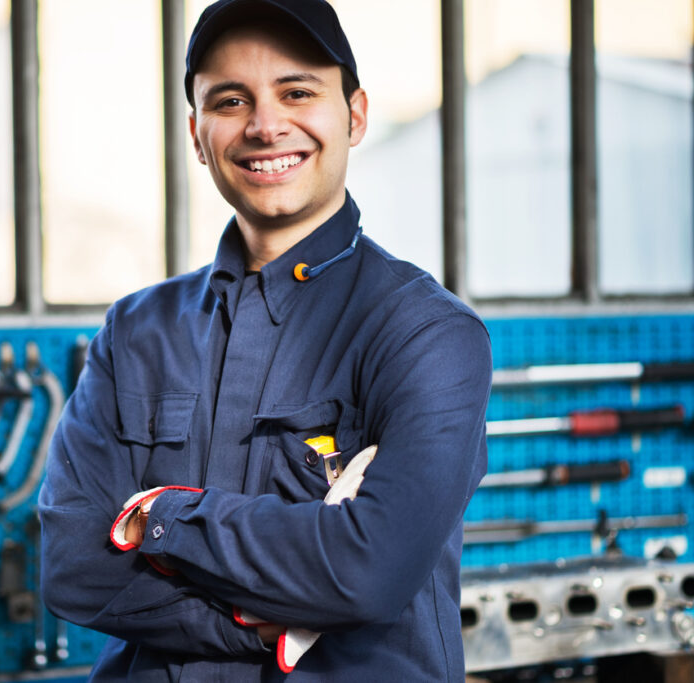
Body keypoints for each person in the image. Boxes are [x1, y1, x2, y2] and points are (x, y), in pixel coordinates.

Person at [38, 0, 492, 679]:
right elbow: (72, 565)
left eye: (297, 92)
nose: (265, 125)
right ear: (197, 133)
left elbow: (368, 571)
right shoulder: (134, 332)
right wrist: (272, 627)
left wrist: (164, 517)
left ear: (355, 114)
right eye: (230, 100)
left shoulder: (425, 334)